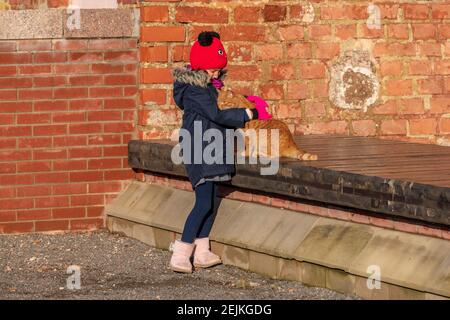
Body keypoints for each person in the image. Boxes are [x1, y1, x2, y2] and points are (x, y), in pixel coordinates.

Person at [170, 31, 264, 273]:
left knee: (211, 202)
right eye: (212, 70)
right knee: (202, 202)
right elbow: (217, 115)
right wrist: (248, 114)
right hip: (199, 149)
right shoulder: (194, 90)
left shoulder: (209, 87)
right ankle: (181, 251)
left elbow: (218, 110)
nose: (216, 75)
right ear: (200, 68)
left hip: (212, 148)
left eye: (219, 71)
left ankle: (201, 251)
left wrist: (244, 100)